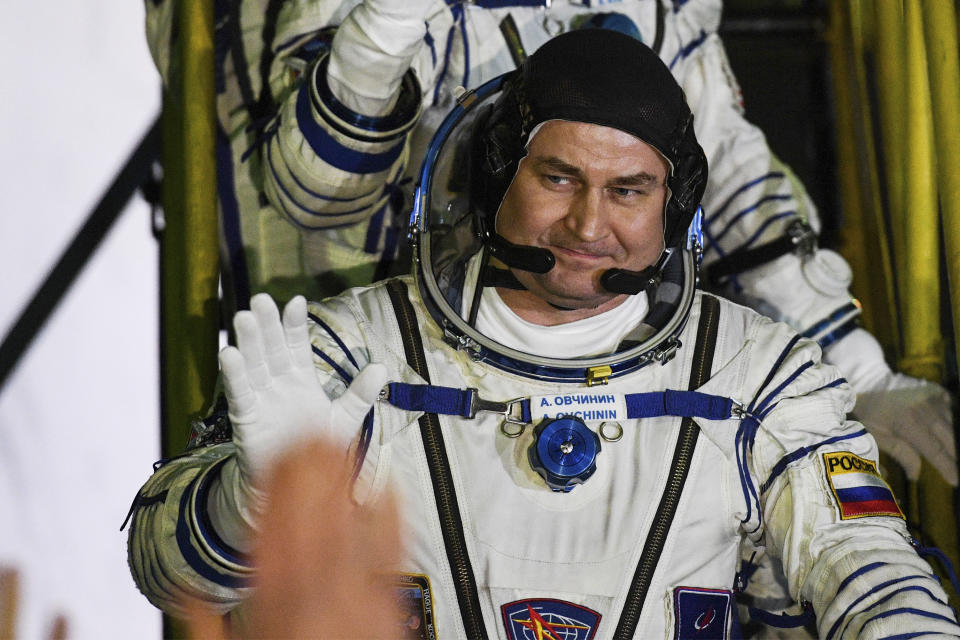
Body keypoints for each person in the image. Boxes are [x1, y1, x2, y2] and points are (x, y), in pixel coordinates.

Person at [127, 30, 960, 638]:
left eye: (629, 190)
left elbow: (871, 573)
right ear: (495, 179)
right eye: (558, 178)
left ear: (673, 209)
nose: (589, 223)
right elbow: (166, 576)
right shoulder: (351, 358)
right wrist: (254, 499)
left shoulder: (759, 378)